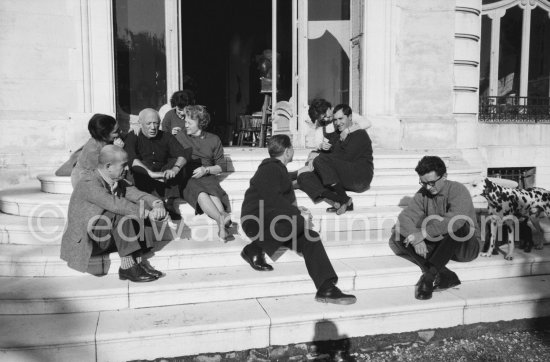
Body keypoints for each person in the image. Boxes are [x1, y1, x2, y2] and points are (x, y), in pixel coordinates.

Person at [240, 135, 357, 305]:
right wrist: (295, 213)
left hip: (273, 222)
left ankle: (326, 288)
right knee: (298, 221)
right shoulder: (270, 168)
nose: (293, 150)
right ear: (287, 151)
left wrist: (296, 210)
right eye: (292, 148)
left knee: (311, 237)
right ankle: (254, 249)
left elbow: (277, 200)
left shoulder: (278, 170)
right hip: (255, 221)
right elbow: (272, 199)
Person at [60, 145, 169, 282]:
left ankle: (139, 261)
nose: (127, 169)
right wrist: (149, 214)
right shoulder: (88, 183)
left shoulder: (117, 180)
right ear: (108, 166)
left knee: (141, 205)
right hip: (88, 242)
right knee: (120, 213)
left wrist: (157, 204)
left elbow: (138, 195)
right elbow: (115, 204)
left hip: (105, 237)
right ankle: (127, 267)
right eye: (123, 165)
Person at [389, 156, 481, 300]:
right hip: (442, 244)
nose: (428, 187)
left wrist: (423, 234)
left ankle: (429, 275)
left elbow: (455, 221)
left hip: (466, 246)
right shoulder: (423, 193)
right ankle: (445, 274)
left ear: (444, 176)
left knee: (456, 224)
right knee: (398, 234)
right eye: (423, 183)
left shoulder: (458, 190)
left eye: (432, 183)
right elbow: (404, 218)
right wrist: (416, 238)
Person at [297, 104, 374, 215]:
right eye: (335, 120)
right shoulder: (338, 134)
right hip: (345, 174)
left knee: (320, 161)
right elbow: (331, 153)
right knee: (304, 176)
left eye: (341, 118)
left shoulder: (360, 134)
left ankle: (343, 199)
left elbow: (345, 157)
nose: (337, 123)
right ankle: (342, 200)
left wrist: (317, 158)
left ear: (350, 117)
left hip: (360, 177)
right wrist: (314, 155)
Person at [174, 105, 232, 241]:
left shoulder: (214, 139)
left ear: (200, 123)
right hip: (188, 175)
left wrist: (206, 170)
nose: (185, 125)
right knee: (200, 192)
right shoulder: (180, 136)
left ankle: (222, 217)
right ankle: (221, 220)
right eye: (185, 121)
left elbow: (221, 167)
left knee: (213, 191)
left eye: (189, 122)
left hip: (206, 174)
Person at [124, 108, 191, 212]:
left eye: (156, 123)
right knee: (138, 166)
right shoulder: (133, 136)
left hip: (165, 176)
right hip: (145, 177)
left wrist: (175, 169)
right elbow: (131, 159)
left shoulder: (166, 136)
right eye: (148, 123)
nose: (153, 127)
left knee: (177, 162)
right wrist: (150, 173)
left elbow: (182, 154)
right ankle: (154, 203)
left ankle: (170, 201)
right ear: (140, 123)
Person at [70, 114, 124, 187]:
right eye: (115, 132)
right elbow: (106, 171)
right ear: (103, 135)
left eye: (118, 129)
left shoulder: (106, 141)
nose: (120, 132)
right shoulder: (92, 150)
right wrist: (117, 150)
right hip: (86, 182)